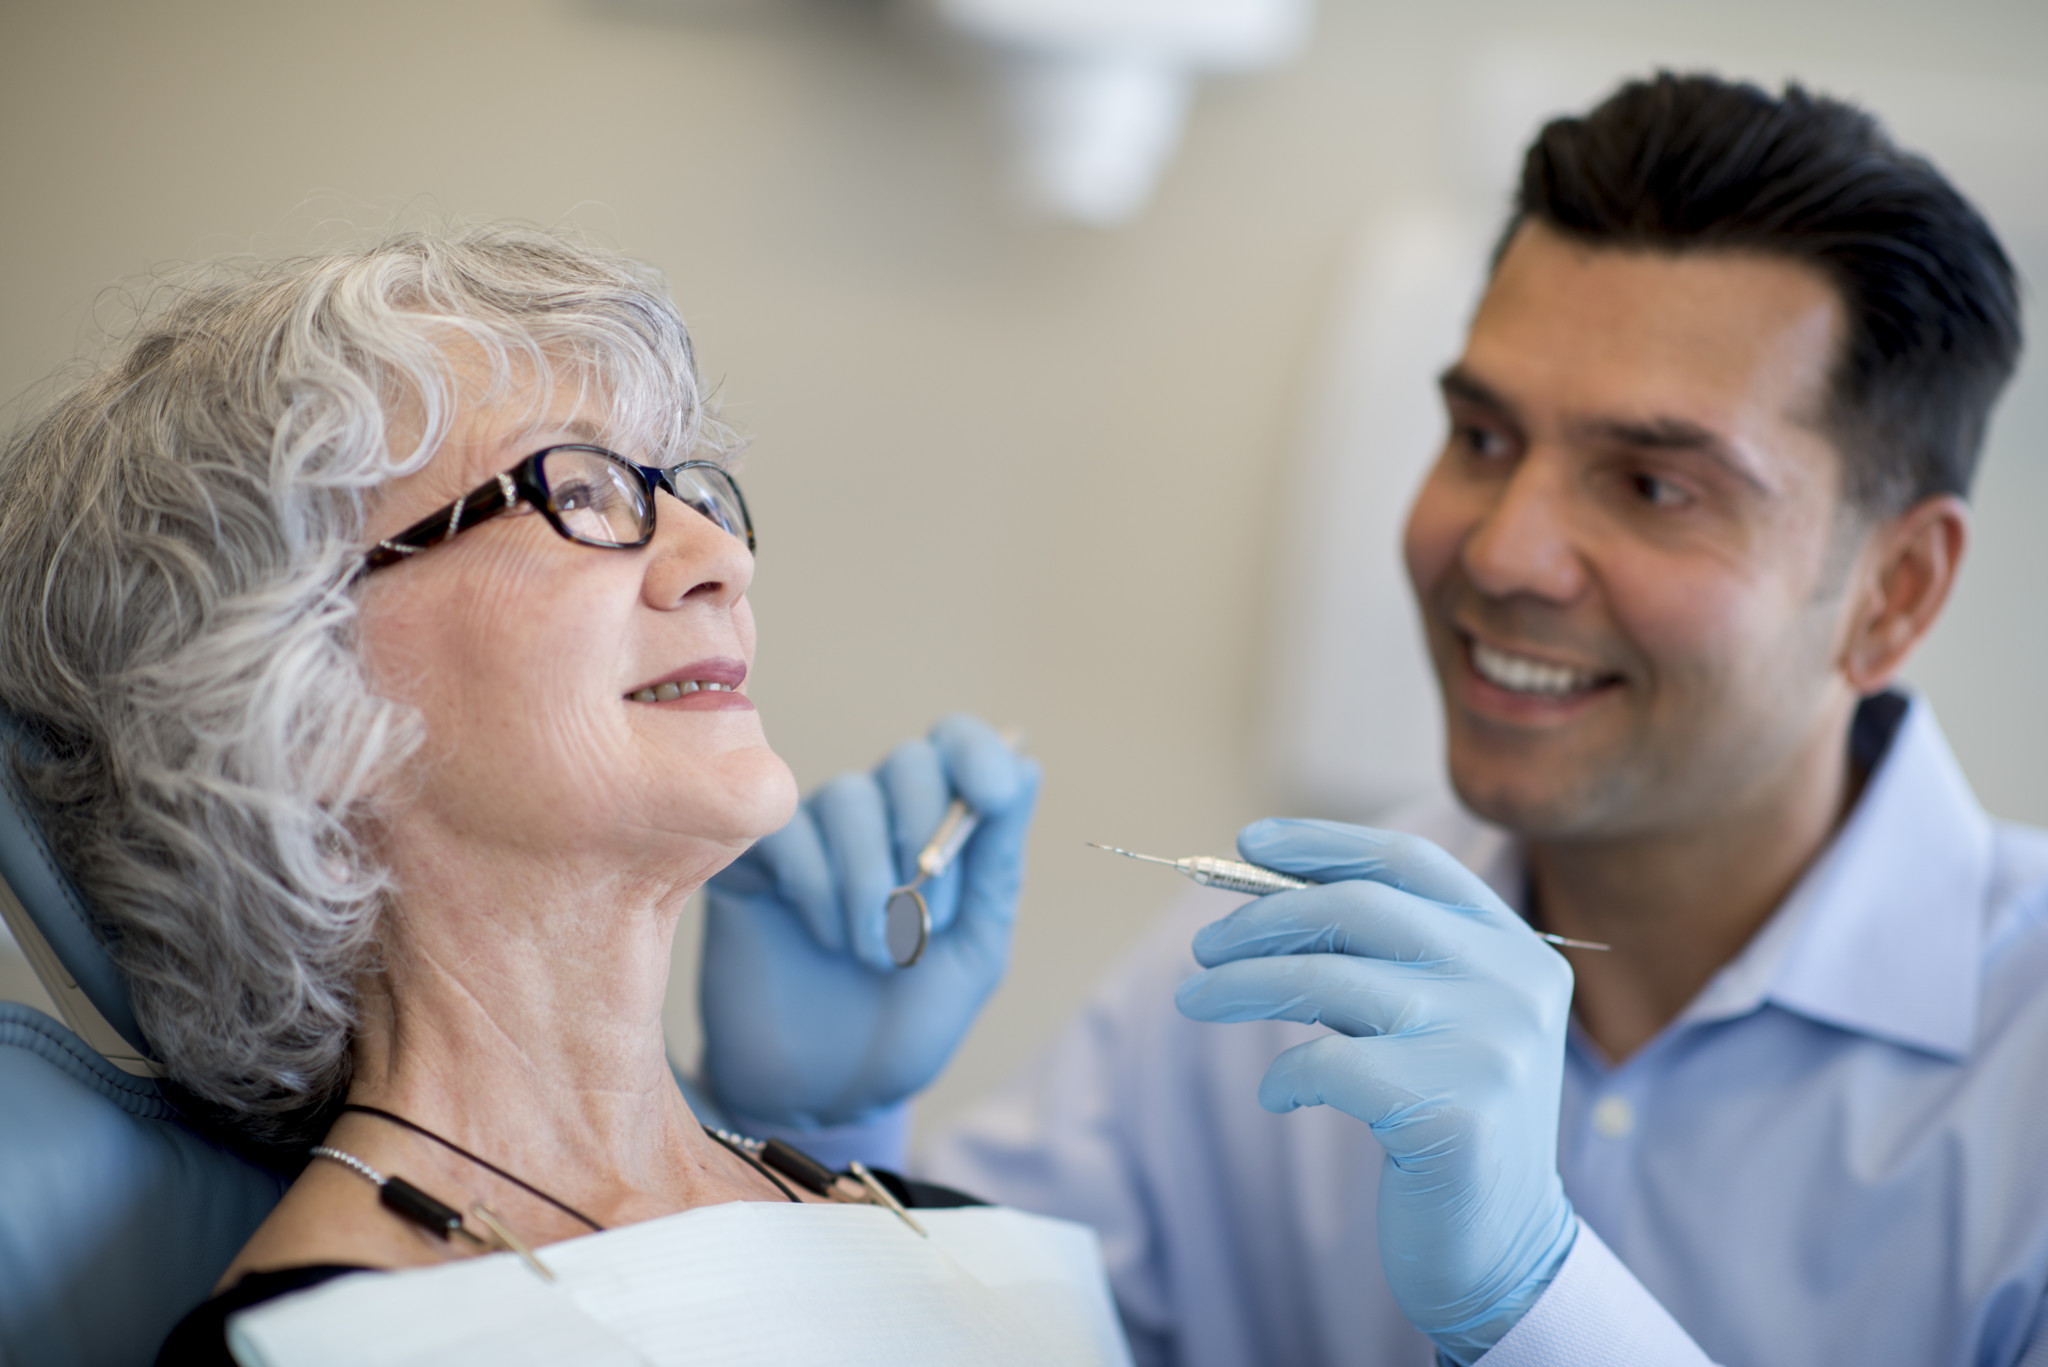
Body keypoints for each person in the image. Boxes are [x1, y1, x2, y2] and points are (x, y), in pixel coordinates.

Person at [695, 72, 2048, 1364]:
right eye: (1482, 437)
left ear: (1896, 588)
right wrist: (809, 1134)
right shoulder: (1281, 971)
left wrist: (1536, 1302)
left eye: (1650, 485)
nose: (1506, 551)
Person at [0, 227, 1091, 1365]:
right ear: (281, 693)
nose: (722, 554)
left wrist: (824, 1128)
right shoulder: (328, 1346)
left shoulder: (947, 1239)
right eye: (580, 491)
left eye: (685, 488)